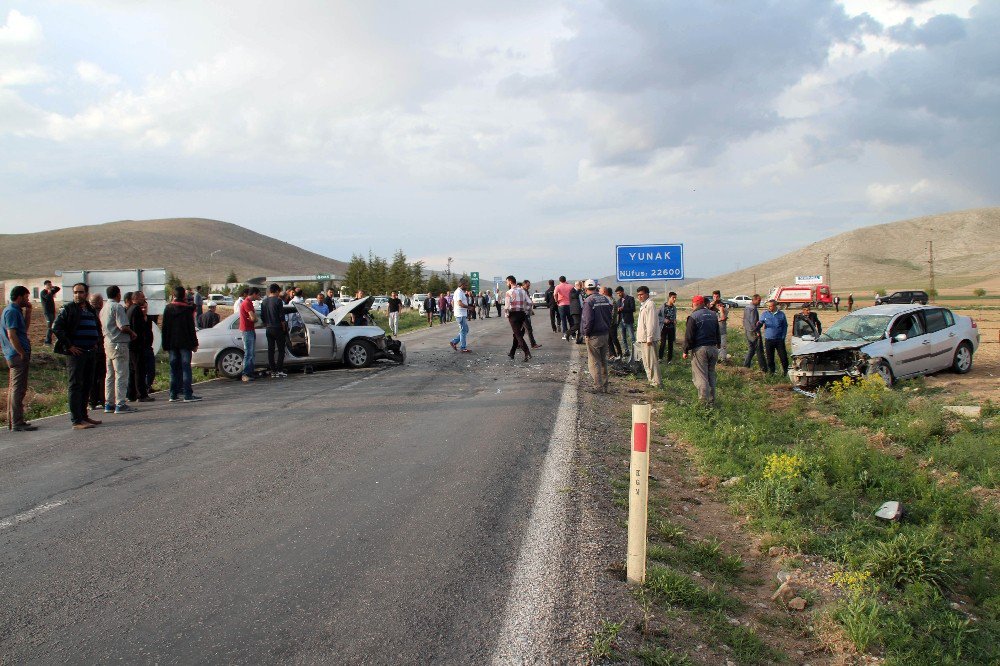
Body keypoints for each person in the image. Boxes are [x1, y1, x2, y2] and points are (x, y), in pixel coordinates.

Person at [52, 283, 103, 429]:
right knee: (75, 385)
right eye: (75, 292)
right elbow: (57, 328)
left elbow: (97, 327)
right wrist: (69, 346)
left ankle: (84, 416)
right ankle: (76, 420)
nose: (77, 295)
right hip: (77, 354)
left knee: (87, 384)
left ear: (86, 293)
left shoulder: (90, 309)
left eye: (80, 292)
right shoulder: (68, 309)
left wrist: (96, 342)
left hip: (90, 352)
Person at [3, 285, 36, 431]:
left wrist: (28, 312)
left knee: (16, 388)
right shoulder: (11, 312)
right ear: (20, 296)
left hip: (15, 353)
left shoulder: (16, 311)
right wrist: (21, 352)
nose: (28, 300)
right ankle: (16, 422)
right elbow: (12, 334)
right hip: (16, 355)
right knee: (18, 389)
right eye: (26, 297)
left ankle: (15, 421)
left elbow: (23, 330)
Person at [161, 286, 202, 402]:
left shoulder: (168, 309)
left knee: (174, 369)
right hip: (185, 343)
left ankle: (173, 394)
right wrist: (195, 343)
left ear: (173, 295)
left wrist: (165, 344)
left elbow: (165, 328)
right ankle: (187, 394)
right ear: (184, 296)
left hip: (172, 344)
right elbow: (191, 328)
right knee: (186, 368)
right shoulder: (187, 309)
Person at [101, 285, 137, 414]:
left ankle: (109, 403)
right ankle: (120, 403)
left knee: (110, 375)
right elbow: (122, 326)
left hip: (108, 343)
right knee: (121, 374)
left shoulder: (103, 308)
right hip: (119, 343)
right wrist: (132, 333)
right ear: (118, 294)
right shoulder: (117, 307)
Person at [682, 295, 721, 406]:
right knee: (711, 374)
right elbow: (718, 332)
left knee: (701, 376)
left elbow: (689, 336)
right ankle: (712, 400)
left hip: (700, 350)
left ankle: (703, 403)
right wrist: (718, 344)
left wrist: (685, 350)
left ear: (695, 304)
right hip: (713, 348)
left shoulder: (693, 316)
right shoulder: (713, 315)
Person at [581, 279, 613, 392]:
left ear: (585, 289)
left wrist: (586, 333)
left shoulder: (588, 301)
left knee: (594, 361)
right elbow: (610, 316)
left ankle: (598, 386)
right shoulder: (605, 298)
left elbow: (588, 320)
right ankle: (605, 385)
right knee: (603, 360)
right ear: (596, 287)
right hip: (605, 333)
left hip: (594, 335)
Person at [126, 291, 154, 403]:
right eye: (142, 297)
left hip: (132, 345)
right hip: (137, 345)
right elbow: (138, 328)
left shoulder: (129, 309)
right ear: (136, 298)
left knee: (133, 370)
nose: (144, 299)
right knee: (140, 370)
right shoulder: (136, 309)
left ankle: (131, 394)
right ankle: (141, 394)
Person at [635, 285, 661, 388]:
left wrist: (649, 337)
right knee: (646, 362)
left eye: (641, 294)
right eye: (638, 295)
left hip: (648, 339)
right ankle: (651, 381)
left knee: (652, 362)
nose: (639, 296)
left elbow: (651, 323)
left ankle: (656, 383)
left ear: (647, 294)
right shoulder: (644, 305)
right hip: (643, 339)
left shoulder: (650, 305)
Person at [260, 283, 288, 379]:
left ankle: (273, 371)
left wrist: (267, 324)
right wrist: (284, 328)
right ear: (276, 291)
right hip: (278, 328)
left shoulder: (264, 302)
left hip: (269, 328)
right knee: (281, 350)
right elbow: (281, 317)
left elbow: (262, 316)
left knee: (270, 350)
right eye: (278, 292)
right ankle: (279, 370)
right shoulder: (278, 301)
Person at [758, 299, 789, 376]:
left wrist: (783, 336)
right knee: (770, 357)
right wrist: (758, 325)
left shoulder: (781, 314)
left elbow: (785, 326)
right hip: (769, 339)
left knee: (783, 357)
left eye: (770, 306)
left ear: (775, 306)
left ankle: (786, 372)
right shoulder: (765, 314)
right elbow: (760, 322)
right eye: (768, 306)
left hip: (779, 340)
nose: (769, 307)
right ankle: (772, 372)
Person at [504, 275, 531, 361]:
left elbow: (507, 306)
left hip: (513, 315)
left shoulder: (509, 292)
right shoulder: (523, 291)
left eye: (507, 282)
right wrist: (526, 311)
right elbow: (530, 302)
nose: (506, 284)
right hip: (522, 314)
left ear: (510, 282)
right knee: (516, 334)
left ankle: (527, 352)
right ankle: (512, 353)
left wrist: (506, 314)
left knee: (518, 335)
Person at [87, 293, 107, 412]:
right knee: (102, 375)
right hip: (100, 348)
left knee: (92, 377)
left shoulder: (87, 313)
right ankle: (103, 399)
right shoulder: (102, 314)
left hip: (91, 348)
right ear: (100, 302)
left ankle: (92, 401)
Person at [239, 287, 261, 382]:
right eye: (258, 294)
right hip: (247, 331)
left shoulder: (248, 302)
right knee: (248, 353)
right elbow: (253, 318)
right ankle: (246, 374)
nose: (259, 296)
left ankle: (250, 373)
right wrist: (255, 319)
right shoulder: (247, 303)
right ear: (254, 294)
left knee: (251, 353)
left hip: (250, 330)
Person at [742, 294, 766, 371]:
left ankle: (746, 365)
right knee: (759, 350)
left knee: (751, 349)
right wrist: (756, 331)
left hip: (747, 331)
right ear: (754, 300)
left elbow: (745, 320)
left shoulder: (747, 308)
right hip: (753, 332)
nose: (759, 302)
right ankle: (763, 369)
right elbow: (753, 322)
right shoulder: (753, 309)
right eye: (759, 300)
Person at [449, 280, 471, 353]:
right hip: (460, 315)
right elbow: (459, 303)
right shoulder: (458, 292)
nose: (466, 286)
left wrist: (454, 309)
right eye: (465, 285)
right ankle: (463, 347)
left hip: (461, 314)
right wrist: (469, 307)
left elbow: (452, 302)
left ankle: (454, 342)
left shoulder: (460, 292)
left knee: (465, 330)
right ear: (462, 285)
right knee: (463, 331)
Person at [615, 286, 636, 359]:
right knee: (623, 338)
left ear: (622, 291)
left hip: (629, 321)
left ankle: (634, 352)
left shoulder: (630, 298)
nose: (618, 294)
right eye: (617, 293)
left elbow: (633, 309)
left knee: (632, 337)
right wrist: (618, 310)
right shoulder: (618, 301)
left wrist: (623, 309)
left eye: (619, 293)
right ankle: (627, 351)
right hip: (621, 322)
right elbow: (618, 312)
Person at [602, 286, 623, 359]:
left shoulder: (612, 301)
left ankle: (619, 354)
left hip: (612, 324)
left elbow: (613, 314)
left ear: (606, 293)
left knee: (614, 339)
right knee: (609, 340)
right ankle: (612, 354)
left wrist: (609, 323)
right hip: (609, 324)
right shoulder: (609, 300)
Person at [521, 280, 542, 349]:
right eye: (527, 286)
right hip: (523, 313)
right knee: (529, 329)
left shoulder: (526, 291)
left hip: (526, 312)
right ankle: (533, 344)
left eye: (529, 286)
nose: (528, 287)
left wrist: (531, 310)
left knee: (522, 330)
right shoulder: (521, 292)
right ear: (523, 285)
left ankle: (518, 344)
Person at [658, 291, 677, 362]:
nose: (674, 299)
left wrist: (675, 320)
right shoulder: (662, 307)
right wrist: (663, 320)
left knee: (670, 344)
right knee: (662, 343)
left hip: (671, 328)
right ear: (669, 298)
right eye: (673, 298)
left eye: (675, 298)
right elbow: (657, 316)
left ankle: (669, 359)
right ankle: (660, 358)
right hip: (664, 328)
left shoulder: (674, 308)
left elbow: (674, 317)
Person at [39, 279, 60, 345]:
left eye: (50, 284)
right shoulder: (43, 292)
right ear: (45, 285)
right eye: (48, 285)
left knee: (53, 326)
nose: (50, 286)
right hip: (47, 312)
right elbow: (47, 297)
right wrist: (50, 292)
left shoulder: (50, 291)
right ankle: (47, 341)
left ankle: (49, 341)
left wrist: (52, 287)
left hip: (52, 311)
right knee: (50, 327)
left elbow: (58, 288)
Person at [711, 290, 729, 363]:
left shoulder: (723, 306)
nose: (715, 298)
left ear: (719, 297)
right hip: (713, 330)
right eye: (714, 296)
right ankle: (714, 359)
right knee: (713, 346)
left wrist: (721, 310)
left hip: (721, 330)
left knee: (723, 345)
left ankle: (723, 360)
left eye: (717, 296)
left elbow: (724, 317)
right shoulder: (710, 306)